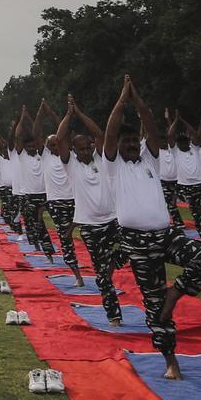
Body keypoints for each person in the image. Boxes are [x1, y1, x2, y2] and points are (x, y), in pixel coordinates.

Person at [102, 76, 201, 380]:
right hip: (137, 243)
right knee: (154, 307)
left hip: (166, 236)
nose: (129, 145)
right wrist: (121, 101)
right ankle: (171, 362)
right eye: (125, 143)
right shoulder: (113, 167)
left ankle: (175, 294)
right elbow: (112, 130)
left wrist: (137, 98)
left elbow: (150, 124)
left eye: (132, 142)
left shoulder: (149, 161)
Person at [55, 95, 123, 322]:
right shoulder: (70, 165)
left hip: (114, 221)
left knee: (130, 251)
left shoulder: (101, 159)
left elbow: (100, 134)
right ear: (74, 151)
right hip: (91, 228)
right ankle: (114, 316)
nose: (85, 152)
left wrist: (80, 112)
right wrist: (68, 114)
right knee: (102, 276)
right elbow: (60, 137)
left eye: (88, 148)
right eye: (81, 149)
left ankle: (111, 264)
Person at [34, 100, 83, 283]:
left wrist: (56, 114)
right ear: (46, 147)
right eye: (52, 145)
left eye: (57, 144)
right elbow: (36, 133)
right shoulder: (45, 156)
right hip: (57, 203)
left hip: (76, 200)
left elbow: (62, 133)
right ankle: (78, 275)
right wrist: (40, 113)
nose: (55, 147)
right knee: (66, 238)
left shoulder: (68, 156)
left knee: (88, 234)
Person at [12, 107, 56, 261]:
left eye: (33, 146)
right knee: (38, 225)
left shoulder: (42, 154)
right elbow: (18, 136)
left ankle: (61, 249)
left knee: (58, 222)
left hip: (47, 194)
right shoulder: (22, 155)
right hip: (30, 196)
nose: (31, 148)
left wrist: (32, 118)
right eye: (28, 146)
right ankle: (47, 252)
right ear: (24, 148)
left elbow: (38, 134)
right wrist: (22, 118)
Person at [167, 113, 201, 244]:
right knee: (196, 214)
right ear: (178, 144)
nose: (184, 144)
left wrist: (183, 120)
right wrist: (175, 121)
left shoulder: (195, 148)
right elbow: (170, 136)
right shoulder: (175, 151)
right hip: (187, 187)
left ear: (188, 141)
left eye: (186, 141)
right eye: (181, 142)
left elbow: (196, 136)